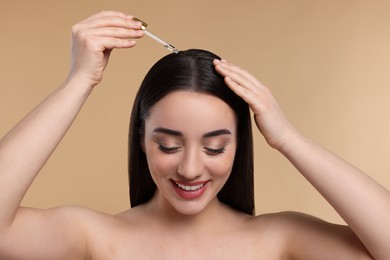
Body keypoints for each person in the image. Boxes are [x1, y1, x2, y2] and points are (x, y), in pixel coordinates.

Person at [0, 10, 388, 259]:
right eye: (168, 144)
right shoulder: (96, 238)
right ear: (141, 137)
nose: (189, 168)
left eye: (215, 147)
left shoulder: (278, 239)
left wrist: (288, 139)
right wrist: (78, 82)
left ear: (239, 144)